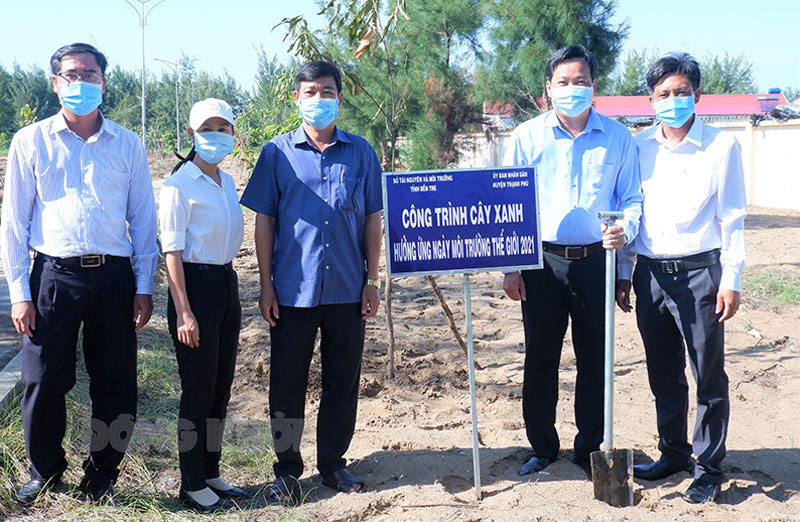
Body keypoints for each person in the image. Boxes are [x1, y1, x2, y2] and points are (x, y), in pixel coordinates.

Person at [0, 43, 158, 504]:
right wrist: (19, 294)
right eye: (70, 75)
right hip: (53, 276)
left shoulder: (128, 144)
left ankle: (102, 473)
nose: (80, 83)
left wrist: (144, 285)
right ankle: (44, 471)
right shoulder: (31, 141)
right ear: (55, 83)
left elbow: (143, 219)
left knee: (116, 381)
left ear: (104, 82)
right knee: (43, 379)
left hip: (113, 278)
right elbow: (13, 223)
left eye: (90, 75)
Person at [240, 60, 383, 502]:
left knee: (343, 380)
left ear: (340, 97)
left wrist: (372, 280)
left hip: (346, 287)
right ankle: (286, 469)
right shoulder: (275, 153)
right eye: (310, 91)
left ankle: (333, 464)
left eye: (326, 91)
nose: (318, 99)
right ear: (296, 98)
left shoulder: (361, 152)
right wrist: (266, 285)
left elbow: (373, 219)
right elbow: (264, 220)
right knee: (286, 383)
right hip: (291, 290)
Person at [502, 44, 643, 477]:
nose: (572, 89)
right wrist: (510, 266)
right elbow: (508, 201)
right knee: (540, 356)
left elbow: (632, 200)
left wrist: (623, 267)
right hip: (540, 263)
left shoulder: (618, 138)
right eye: (563, 82)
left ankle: (589, 448)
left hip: (596, 263)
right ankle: (542, 446)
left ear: (593, 86)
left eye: (580, 81)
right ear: (548, 89)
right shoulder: (526, 136)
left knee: (595, 358)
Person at [616, 52, 746, 504]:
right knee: (663, 373)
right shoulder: (637, 147)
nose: (673, 100)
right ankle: (673, 452)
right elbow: (630, 210)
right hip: (650, 274)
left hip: (700, 276)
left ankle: (708, 466)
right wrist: (623, 273)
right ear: (650, 100)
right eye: (664, 94)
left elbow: (731, 217)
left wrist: (731, 278)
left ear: (697, 96)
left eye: (682, 93)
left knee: (707, 374)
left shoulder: (722, 147)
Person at [158, 98, 246, 512]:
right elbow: (172, 251)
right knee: (198, 389)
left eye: (224, 127)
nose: (217, 134)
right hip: (193, 287)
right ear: (192, 135)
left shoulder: (226, 182)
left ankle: (210, 470)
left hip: (226, 282)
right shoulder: (178, 185)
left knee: (220, 387)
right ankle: (192, 483)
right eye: (207, 128)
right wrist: (185, 311)